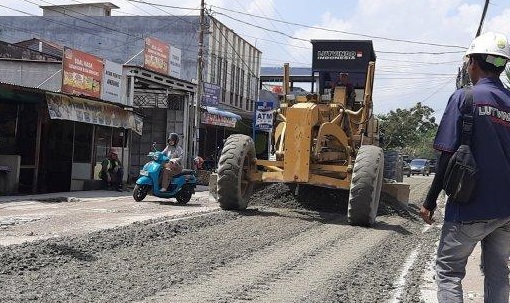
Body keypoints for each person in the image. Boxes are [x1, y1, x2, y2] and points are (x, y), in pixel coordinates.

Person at [420, 31, 510, 303]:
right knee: (498, 274)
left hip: (469, 206)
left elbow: (447, 155)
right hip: (505, 211)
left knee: (448, 272)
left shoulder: (465, 98)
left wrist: (430, 201)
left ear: (472, 63)